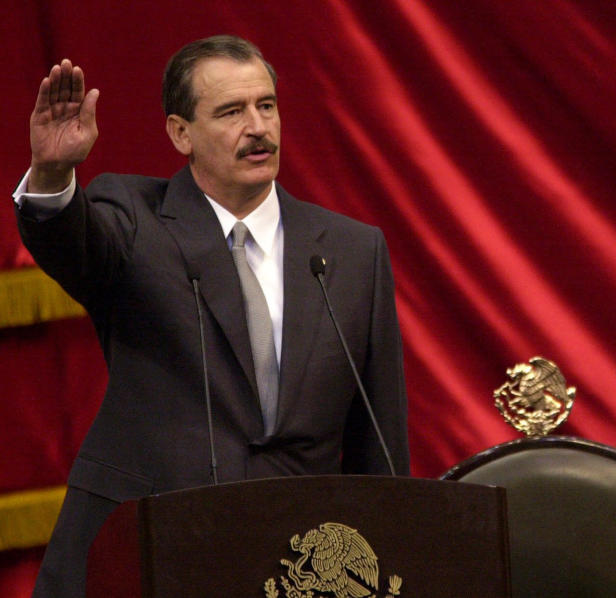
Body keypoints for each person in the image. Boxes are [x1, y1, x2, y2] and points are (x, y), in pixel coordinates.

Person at [14, 35, 409, 597]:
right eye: (231, 111)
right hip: (152, 551)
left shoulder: (350, 251)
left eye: (266, 106)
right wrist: (52, 176)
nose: (258, 127)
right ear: (181, 133)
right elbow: (70, 243)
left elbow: (379, 442)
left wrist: (391, 549)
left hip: (294, 563)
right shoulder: (134, 220)